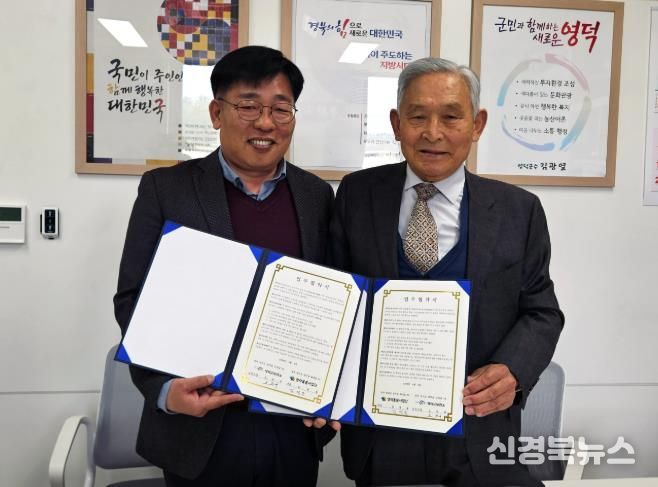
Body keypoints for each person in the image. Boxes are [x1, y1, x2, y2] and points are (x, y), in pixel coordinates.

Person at [330, 57, 564, 486]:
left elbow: (542, 311)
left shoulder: (519, 210)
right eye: (418, 116)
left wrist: (513, 370)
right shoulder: (356, 195)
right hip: (382, 436)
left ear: (477, 124)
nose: (433, 133)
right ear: (397, 123)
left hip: (480, 430)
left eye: (451, 117)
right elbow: (334, 300)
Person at [114, 45, 335, 487]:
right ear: (217, 113)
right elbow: (133, 300)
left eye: (280, 108)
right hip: (199, 426)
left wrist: (332, 389)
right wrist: (164, 391)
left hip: (290, 427)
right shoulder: (166, 189)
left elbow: (334, 303)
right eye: (248, 106)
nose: (266, 123)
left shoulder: (317, 196)